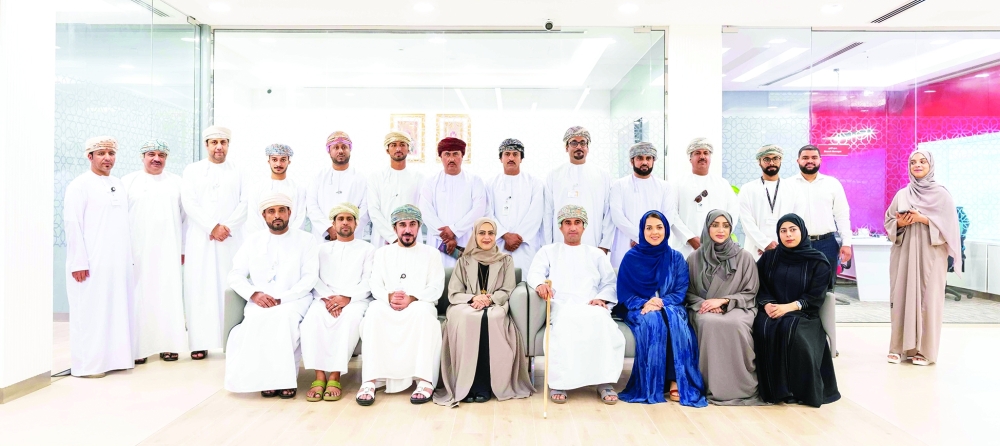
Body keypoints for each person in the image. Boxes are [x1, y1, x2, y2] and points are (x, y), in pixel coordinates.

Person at [224, 192, 318, 399]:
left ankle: (285, 381)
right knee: (257, 319)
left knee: (284, 320)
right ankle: (266, 379)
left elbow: (309, 278)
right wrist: (253, 294)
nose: (277, 215)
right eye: (271, 211)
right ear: (264, 216)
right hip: (261, 299)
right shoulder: (253, 241)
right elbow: (235, 274)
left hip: (295, 299)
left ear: (289, 213)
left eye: (281, 210)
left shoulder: (306, 240)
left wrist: (283, 298)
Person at [527, 205, 623, 404]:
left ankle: (604, 382)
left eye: (577, 223)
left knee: (602, 321)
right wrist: (540, 285)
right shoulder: (548, 251)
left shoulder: (596, 254)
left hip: (591, 304)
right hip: (561, 304)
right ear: (560, 227)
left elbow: (609, 282)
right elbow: (535, 273)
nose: (572, 227)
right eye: (568, 223)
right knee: (565, 322)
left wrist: (602, 299)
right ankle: (560, 382)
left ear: (584, 227)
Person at [435, 218, 534, 407]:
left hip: (495, 304)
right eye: (482, 233)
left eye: (491, 233)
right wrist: (473, 299)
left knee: (493, 317)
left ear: (495, 236)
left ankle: (485, 384)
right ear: (475, 235)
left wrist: (489, 298)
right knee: (468, 317)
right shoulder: (464, 260)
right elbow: (454, 292)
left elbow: (507, 290)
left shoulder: (506, 260)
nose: (486, 237)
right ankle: (467, 384)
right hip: (465, 305)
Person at [357, 205, 445, 406]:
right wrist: (388, 297)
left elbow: (436, 287)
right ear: (394, 228)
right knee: (373, 312)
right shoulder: (383, 253)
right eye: (402, 225)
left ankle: (425, 381)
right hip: (387, 304)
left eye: (412, 224)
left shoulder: (431, 254)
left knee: (423, 314)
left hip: (420, 303)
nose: (407, 229)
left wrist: (412, 298)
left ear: (419, 227)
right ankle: (370, 381)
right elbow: (375, 284)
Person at [617, 210, 706, 407]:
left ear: (666, 231)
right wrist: (644, 303)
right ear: (642, 231)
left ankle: (676, 379)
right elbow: (624, 293)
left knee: (673, 320)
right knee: (653, 321)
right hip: (639, 308)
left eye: (659, 227)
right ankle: (653, 383)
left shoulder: (675, 258)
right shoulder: (631, 258)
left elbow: (680, 291)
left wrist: (660, 302)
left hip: (670, 305)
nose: (654, 232)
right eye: (649, 228)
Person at [63, 136, 134, 378]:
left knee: (115, 309)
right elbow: (73, 224)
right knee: (90, 312)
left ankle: (115, 359)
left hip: (117, 261)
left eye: (111, 153)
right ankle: (90, 366)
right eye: (101, 153)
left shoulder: (119, 183)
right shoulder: (79, 185)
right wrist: (78, 261)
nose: (107, 158)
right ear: (90, 156)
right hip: (91, 261)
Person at [753, 214, 840, 407]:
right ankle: (771, 390)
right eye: (783, 231)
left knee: (793, 331)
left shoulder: (818, 260)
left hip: (804, 313)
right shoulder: (769, 258)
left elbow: (815, 296)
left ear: (802, 231)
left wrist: (788, 307)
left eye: (793, 229)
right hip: (771, 310)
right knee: (763, 328)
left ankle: (796, 391)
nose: (788, 235)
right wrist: (767, 304)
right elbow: (759, 285)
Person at [885, 150, 961, 366]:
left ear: (931, 165)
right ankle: (898, 347)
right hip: (904, 252)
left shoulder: (942, 194)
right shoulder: (902, 194)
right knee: (901, 296)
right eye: (913, 162)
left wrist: (923, 219)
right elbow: (889, 221)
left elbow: (951, 227)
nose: (917, 165)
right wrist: (900, 223)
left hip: (932, 253)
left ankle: (925, 351)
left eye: (922, 161)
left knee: (929, 300)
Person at [181, 125, 247, 360]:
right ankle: (199, 341)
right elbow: (188, 202)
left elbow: (245, 203)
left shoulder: (238, 170)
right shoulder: (192, 170)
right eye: (214, 142)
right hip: (201, 239)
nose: (219, 147)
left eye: (223, 142)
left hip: (231, 239)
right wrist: (211, 226)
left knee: (231, 287)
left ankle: (231, 339)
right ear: (207, 145)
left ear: (228, 145)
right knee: (200, 287)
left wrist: (226, 227)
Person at [300, 203, 376, 402]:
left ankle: (334, 376)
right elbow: (312, 277)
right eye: (340, 219)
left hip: (355, 300)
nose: (344, 223)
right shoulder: (320, 249)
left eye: (349, 219)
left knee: (349, 319)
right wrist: (328, 298)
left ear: (356, 224)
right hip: (324, 299)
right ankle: (319, 376)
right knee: (312, 320)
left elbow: (369, 280)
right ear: (333, 224)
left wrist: (347, 298)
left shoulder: (367, 249)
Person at [121, 139, 188, 364]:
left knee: (168, 294)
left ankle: (170, 345)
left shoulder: (177, 183)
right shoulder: (128, 182)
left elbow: (185, 219)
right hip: (137, 250)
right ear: (143, 157)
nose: (157, 159)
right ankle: (139, 348)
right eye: (151, 154)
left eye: (161, 155)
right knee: (139, 295)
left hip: (169, 248)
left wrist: (183, 249)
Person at [685, 210, 761, 405]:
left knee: (735, 324)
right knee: (708, 323)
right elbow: (687, 292)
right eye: (715, 225)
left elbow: (750, 292)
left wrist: (724, 301)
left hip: (738, 308)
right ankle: (710, 385)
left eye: (725, 225)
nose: (720, 230)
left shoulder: (744, 257)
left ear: (731, 228)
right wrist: (705, 304)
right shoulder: (694, 258)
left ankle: (741, 386)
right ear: (707, 227)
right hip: (702, 309)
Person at [787, 144, 852, 288]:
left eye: (814, 157)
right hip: (796, 244)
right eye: (805, 158)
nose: (810, 161)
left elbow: (842, 214)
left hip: (827, 243)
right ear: (798, 161)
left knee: (826, 288)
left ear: (820, 160)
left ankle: (825, 312)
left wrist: (846, 243)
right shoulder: (787, 185)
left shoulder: (832, 184)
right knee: (796, 286)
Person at [544, 126, 614, 252]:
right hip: (560, 244)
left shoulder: (602, 175)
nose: (579, 147)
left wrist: (605, 244)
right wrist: (548, 246)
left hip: (593, 243)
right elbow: (547, 212)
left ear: (588, 147)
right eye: (574, 143)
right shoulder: (554, 175)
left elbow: (608, 212)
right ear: (566, 147)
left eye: (583, 143)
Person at [419, 137, 487, 267]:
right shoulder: (431, 182)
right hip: (438, 242)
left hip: (465, 239)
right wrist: (446, 237)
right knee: (437, 277)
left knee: (466, 280)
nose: (451, 159)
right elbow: (425, 211)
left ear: (462, 156)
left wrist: (454, 230)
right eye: (447, 154)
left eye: (455, 154)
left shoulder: (474, 181)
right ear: (441, 157)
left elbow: (479, 209)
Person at [610, 141, 678, 269]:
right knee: (624, 283)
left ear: (653, 161)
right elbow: (617, 216)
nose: (644, 162)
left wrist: (646, 239)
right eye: (640, 158)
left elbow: (668, 218)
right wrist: (639, 236)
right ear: (632, 161)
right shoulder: (619, 185)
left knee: (654, 285)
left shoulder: (664, 187)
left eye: (648, 158)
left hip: (654, 246)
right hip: (625, 245)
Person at [669, 137, 739, 259]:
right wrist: (690, 238)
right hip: (685, 249)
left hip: (716, 248)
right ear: (690, 158)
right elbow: (671, 214)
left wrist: (719, 236)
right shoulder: (678, 184)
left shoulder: (722, 184)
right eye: (697, 153)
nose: (702, 156)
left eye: (706, 153)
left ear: (710, 158)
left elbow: (733, 212)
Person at [485, 138, 545, 269]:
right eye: (507, 154)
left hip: (525, 245)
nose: (511, 158)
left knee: (525, 284)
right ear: (501, 158)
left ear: (521, 158)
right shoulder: (490, 184)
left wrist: (517, 238)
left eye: (515, 154)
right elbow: (487, 213)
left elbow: (535, 214)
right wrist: (504, 235)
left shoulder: (534, 183)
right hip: (499, 243)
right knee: (498, 283)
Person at [306, 131, 369, 243]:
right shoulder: (318, 178)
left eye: (344, 147)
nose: (340, 151)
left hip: (351, 237)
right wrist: (329, 228)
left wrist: (347, 230)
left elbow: (364, 209)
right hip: (324, 237)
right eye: (336, 147)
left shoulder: (361, 179)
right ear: (329, 151)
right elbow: (312, 207)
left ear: (350, 150)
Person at [367, 132, 426, 246]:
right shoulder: (376, 178)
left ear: (408, 149)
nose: (398, 148)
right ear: (387, 150)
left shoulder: (419, 178)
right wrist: (393, 237)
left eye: (402, 144)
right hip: (383, 239)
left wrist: (406, 234)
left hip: (411, 238)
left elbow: (422, 210)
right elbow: (373, 210)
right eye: (393, 145)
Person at [739, 144, 793, 260]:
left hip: (785, 248)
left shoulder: (792, 188)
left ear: (781, 160)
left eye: (775, 158)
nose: (771, 163)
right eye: (766, 159)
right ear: (759, 162)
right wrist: (763, 243)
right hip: (755, 250)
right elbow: (746, 221)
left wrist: (779, 246)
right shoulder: (747, 189)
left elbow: (796, 220)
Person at [244, 143, 307, 238]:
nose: (278, 164)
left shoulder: (298, 189)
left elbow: (300, 218)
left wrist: (288, 238)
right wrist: (264, 239)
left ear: (289, 161)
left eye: (283, 160)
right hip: (263, 242)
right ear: (268, 161)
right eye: (274, 159)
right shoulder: (257, 189)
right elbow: (253, 219)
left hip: (291, 241)